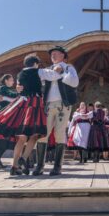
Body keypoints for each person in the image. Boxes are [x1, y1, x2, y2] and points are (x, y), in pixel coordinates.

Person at [32, 46, 79, 176]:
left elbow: (75, 82)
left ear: (63, 55)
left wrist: (61, 73)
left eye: (56, 53)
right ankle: (40, 166)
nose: (53, 55)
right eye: (51, 54)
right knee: (42, 134)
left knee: (59, 133)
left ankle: (57, 166)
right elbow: (36, 77)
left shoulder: (69, 68)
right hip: (47, 105)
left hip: (63, 105)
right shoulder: (47, 70)